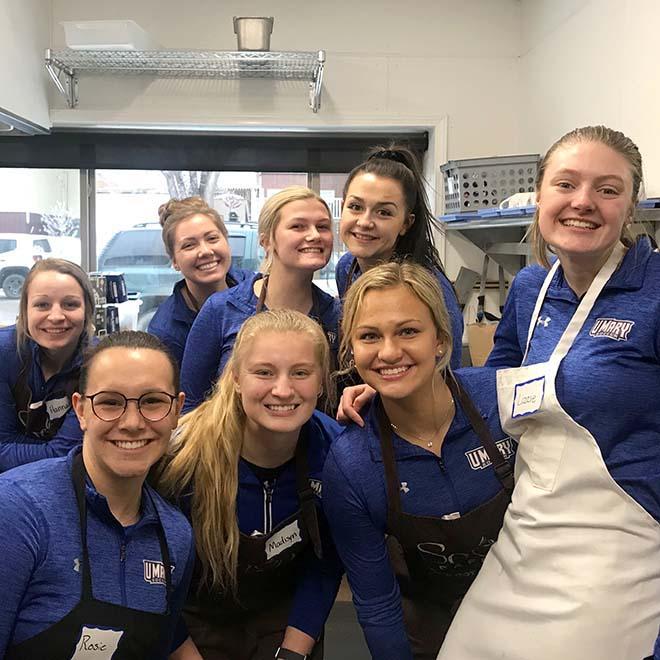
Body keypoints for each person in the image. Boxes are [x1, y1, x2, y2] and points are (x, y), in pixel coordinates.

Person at [437, 126, 660, 660]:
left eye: (607, 189)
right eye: (567, 184)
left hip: (619, 545)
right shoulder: (531, 288)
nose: (583, 202)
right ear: (540, 195)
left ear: (629, 206)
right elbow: (492, 389)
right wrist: (396, 398)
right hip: (527, 528)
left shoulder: (653, 291)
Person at [322, 262, 514, 660]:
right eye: (370, 336)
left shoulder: (502, 403)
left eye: (408, 331)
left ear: (441, 340)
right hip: (430, 627)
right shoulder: (352, 464)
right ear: (351, 350)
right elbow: (377, 603)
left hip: (524, 608)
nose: (390, 352)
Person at [157, 309, 343, 660]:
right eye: (264, 372)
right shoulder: (180, 457)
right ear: (237, 377)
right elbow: (153, 579)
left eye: (301, 373)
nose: (283, 390)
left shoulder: (335, 454)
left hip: (286, 623)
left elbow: (325, 564)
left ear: (321, 382)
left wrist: (293, 652)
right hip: (189, 629)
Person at [0, 331, 196, 659]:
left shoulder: (174, 537)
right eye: (109, 402)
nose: (132, 423)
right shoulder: (18, 513)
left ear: (176, 410)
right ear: (80, 410)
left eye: (152, 402)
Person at [181, 186, 340, 411]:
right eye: (298, 226)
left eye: (322, 227)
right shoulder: (223, 309)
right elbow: (189, 405)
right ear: (266, 241)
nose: (314, 235)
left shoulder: (336, 316)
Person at [335, 145, 463, 369]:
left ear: (406, 223)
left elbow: (447, 376)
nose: (365, 222)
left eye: (383, 212)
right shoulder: (347, 269)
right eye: (355, 207)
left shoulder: (431, 290)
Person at [0, 258, 94, 471]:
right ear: (25, 310)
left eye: (70, 304)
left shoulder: (99, 365)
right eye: (42, 304)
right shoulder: (4, 353)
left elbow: (67, 453)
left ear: (88, 310)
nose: (56, 316)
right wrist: (56, 450)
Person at [148, 196, 251, 367]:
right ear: (174, 261)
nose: (205, 251)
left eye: (212, 239)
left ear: (227, 242)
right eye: (189, 245)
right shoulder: (165, 331)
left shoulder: (255, 288)